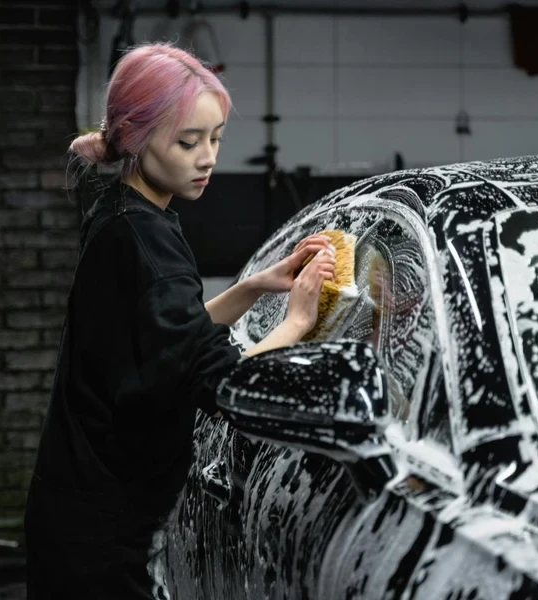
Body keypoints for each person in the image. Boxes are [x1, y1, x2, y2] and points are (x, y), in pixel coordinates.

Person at [24, 42, 337, 600]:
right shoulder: (150, 245)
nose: (208, 157)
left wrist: (251, 287)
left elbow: (165, 343)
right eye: (189, 141)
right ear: (138, 138)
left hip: (74, 503)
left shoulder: (123, 214)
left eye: (215, 138)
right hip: (103, 530)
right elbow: (224, 386)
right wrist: (294, 323)